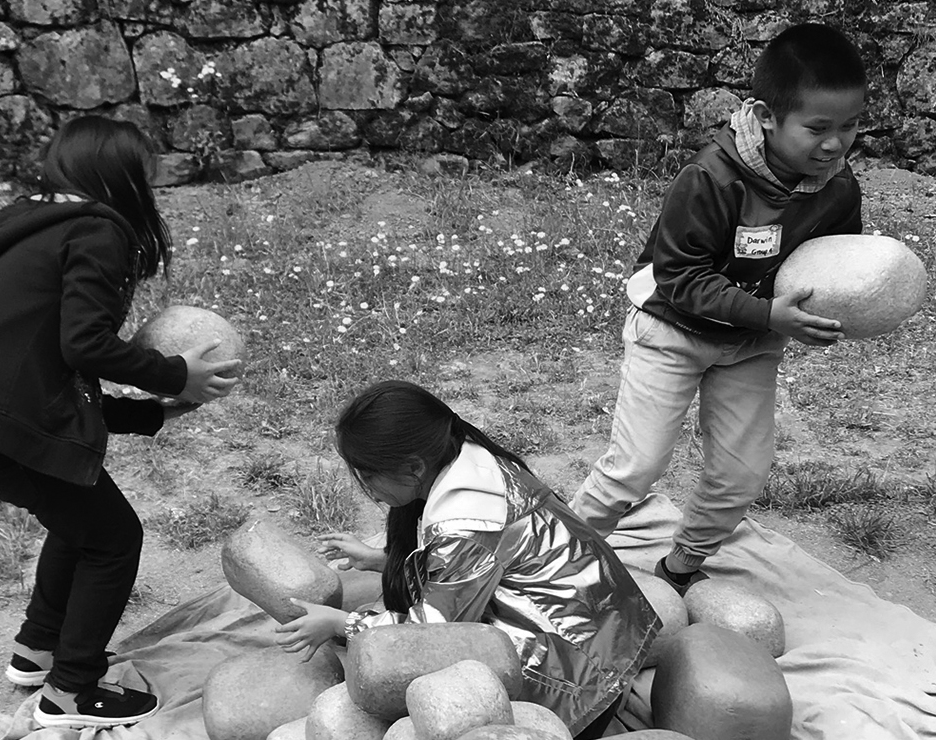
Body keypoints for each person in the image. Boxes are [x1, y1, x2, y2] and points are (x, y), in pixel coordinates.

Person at [0, 116, 241, 729]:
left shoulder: (36, 229)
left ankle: (37, 651)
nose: (149, 189)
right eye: (145, 176)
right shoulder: (98, 228)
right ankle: (71, 692)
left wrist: (152, 411)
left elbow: (54, 373)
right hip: (5, 418)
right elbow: (85, 346)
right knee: (113, 539)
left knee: (78, 521)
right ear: (118, 175)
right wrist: (177, 374)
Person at [569, 23, 867, 595]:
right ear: (766, 116)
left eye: (850, 126)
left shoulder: (838, 186)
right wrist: (768, 315)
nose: (835, 144)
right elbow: (677, 278)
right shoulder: (710, 177)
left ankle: (680, 569)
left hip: (750, 341)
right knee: (636, 466)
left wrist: (836, 309)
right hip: (672, 327)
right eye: (819, 128)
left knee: (741, 472)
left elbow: (834, 264)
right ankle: (556, 554)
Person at [274, 380, 660, 739]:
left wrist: (341, 623)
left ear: (414, 468)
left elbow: (429, 635)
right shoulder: (472, 458)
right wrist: (381, 559)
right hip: (609, 645)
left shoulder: (466, 525)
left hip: (580, 688)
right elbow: (468, 573)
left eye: (368, 476)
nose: (367, 489)